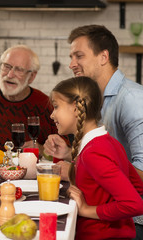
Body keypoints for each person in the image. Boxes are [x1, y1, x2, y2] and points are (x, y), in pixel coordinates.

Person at [43, 25, 143, 238]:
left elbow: (134, 186)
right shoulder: (96, 105)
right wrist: (72, 155)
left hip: (127, 221)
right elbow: (112, 161)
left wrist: (76, 171)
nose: (71, 64)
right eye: (71, 57)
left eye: (79, 56)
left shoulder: (133, 100)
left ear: (104, 57)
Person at [51, 76, 143, 239]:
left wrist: (86, 209)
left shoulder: (94, 152)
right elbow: (138, 186)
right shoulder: (109, 142)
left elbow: (134, 204)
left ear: (75, 108)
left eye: (56, 106)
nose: (52, 115)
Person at [0, 45, 57, 151]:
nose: (10, 74)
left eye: (19, 70)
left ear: (31, 77)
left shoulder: (45, 104)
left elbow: (65, 148)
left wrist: (41, 149)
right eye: (6, 66)